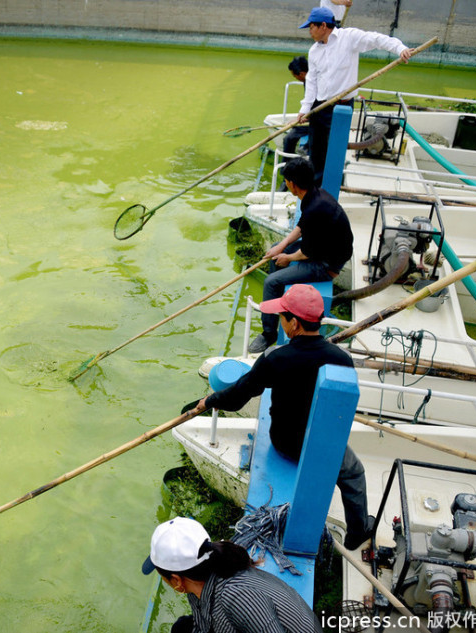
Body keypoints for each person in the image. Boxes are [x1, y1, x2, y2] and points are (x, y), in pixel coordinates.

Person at [194, 284, 374, 550]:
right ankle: (357, 532)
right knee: (354, 472)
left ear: (294, 324)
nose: (280, 321)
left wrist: (207, 401)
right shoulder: (340, 359)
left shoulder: (276, 359)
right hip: (323, 443)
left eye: (282, 317)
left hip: (286, 442)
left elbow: (238, 395)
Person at [142, 517, 323, 633]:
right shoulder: (201, 580)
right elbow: (202, 625)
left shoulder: (237, 596)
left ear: (176, 580)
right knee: (181, 628)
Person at [296, 5, 413, 184]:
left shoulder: (348, 38)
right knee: (317, 148)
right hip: (320, 106)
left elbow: (376, 39)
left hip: (342, 105)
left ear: (323, 26)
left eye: (311, 27)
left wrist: (400, 49)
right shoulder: (314, 51)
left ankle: (334, 182)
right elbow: (311, 81)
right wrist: (305, 109)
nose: (309, 31)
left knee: (335, 147)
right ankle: (316, 186)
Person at [248, 157, 352, 354]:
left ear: (292, 184)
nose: (286, 184)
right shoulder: (314, 195)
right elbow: (303, 227)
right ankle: (280, 307)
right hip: (322, 249)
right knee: (279, 251)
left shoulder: (315, 207)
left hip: (327, 263)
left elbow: (307, 253)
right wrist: (282, 246)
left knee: (271, 282)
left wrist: (288, 258)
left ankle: (268, 333)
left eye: (286, 181)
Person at [282, 56, 310, 157]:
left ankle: (286, 168)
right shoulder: (307, 81)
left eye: (295, 76)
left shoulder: (313, 82)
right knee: (288, 138)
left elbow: (318, 104)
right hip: (310, 117)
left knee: (289, 139)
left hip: (318, 119)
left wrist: (305, 118)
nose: (296, 79)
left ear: (301, 74)